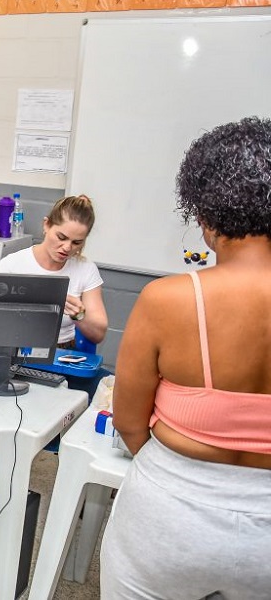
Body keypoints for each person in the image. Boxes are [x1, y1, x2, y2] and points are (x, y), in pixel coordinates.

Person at [100, 117, 271, 598]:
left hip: (171, 514)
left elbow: (129, 422)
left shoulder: (168, 299)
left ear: (205, 214)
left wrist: (178, 478)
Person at [0, 195, 108, 348]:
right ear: (46, 225)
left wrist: (79, 316)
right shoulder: (12, 265)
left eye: (76, 242)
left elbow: (98, 334)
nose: (67, 247)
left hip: (63, 350)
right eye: (61, 237)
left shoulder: (86, 269)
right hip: (14, 347)